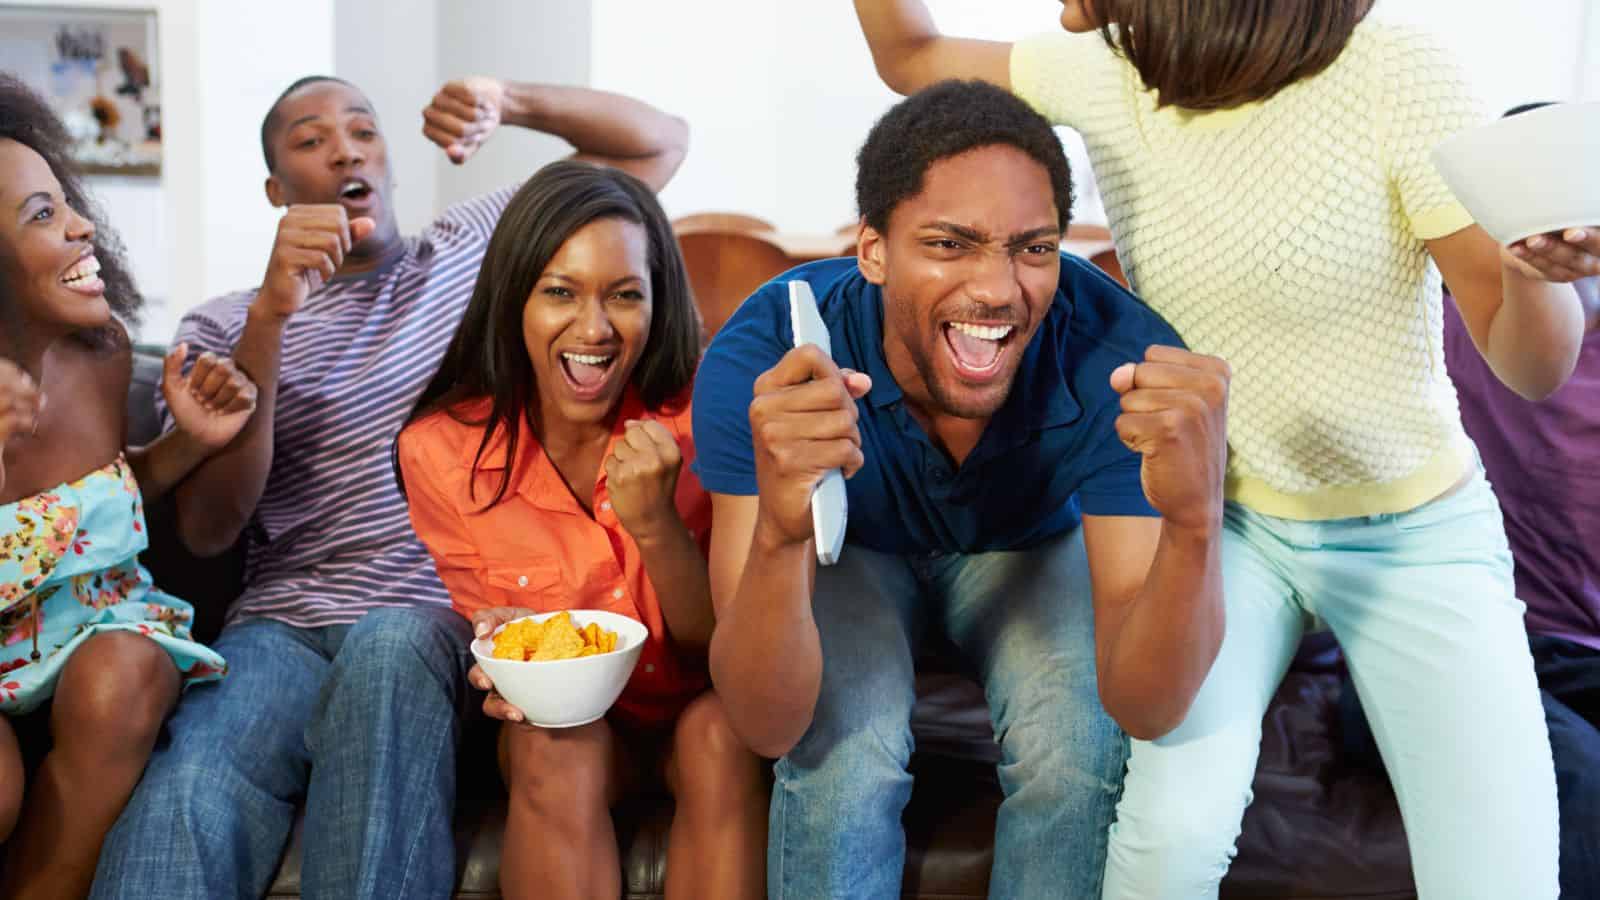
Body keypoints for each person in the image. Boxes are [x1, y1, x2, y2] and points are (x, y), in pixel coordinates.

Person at [853, 2, 1600, 898]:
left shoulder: (1398, 71)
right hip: (1227, 522)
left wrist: (1530, 273)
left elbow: (1530, 368)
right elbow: (911, 55)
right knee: (1169, 842)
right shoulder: (1112, 69)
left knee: (1502, 880)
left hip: (1415, 530)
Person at [90, 75, 688, 900]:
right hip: (283, 622)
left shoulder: (477, 251)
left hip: (434, 613)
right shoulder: (224, 324)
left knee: (388, 648)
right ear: (276, 190)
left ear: (389, 161)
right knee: (192, 784)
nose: (344, 149)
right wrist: (272, 316)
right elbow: (208, 531)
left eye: (364, 130)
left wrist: (506, 101)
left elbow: (657, 141)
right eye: (310, 140)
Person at [695, 80, 1231, 900]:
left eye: (1034, 248)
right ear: (872, 250)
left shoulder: (1121, 356)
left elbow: (1146, 710)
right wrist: (778, 530)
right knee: (846, 747)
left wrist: (1195, 524)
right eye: (950, 244)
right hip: (858, 553)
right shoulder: (768, 353)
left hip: (1026, 548)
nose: (996, 288)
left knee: (1077, 745)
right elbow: (766, 722)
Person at [397, 159, 767, 900]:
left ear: (658, 304)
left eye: (624, 296)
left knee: (720, 740)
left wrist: (655, 525)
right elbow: (505, 636)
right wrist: (499, 651)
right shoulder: (441, 451)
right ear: (514, 301)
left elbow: (720, 644)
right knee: (549, 748)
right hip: (571, 726)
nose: (594, 329)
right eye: (560, 293)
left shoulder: (708, 417)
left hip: (702, 700)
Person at [0, 73, 252, 898]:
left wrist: (187, 444)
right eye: (42, 217)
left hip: (91, 616)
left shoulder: (101, 353)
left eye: (64, 201)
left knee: (128, 671)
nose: (82, 226)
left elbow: (95, 505)